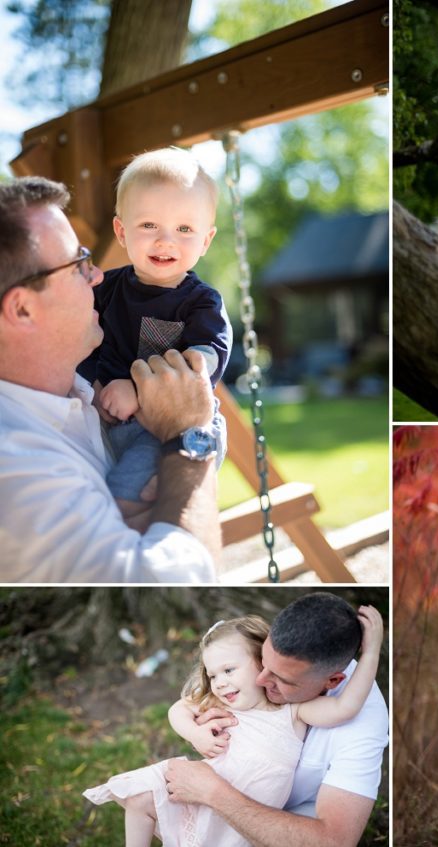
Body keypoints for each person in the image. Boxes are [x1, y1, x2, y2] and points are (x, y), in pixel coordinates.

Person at [0, 176, 221, 581]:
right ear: (23, 309)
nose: (97, 275)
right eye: (77, 265)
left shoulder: (75, 391)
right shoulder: (17, 466)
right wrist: (189, 436)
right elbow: (175, 586)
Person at [83, 605, 383, 847]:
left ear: (332, 680)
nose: (220, 682)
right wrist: (195, 733)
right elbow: (179, 708)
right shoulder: (228, 700)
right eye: (213, 676)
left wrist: (371, 653)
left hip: (245, 814)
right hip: (203, 794)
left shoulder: (293, 710)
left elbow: (345, 707)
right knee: (138, 799)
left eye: (228, 670)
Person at [162, 592, 390, 847]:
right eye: (263, 662)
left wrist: (211, 791)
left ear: (332, 681)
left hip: (296, 821)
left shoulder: (363, 725)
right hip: (240, 791)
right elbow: (186, 707)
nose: (260, 681)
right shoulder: (287, 648)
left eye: (282, 679)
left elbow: (333, 841)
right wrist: (203, 732)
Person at [77, 147, 231, 520]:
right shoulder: (104, 289)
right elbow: (81, 340)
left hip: (168, 427)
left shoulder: (200, 302)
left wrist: (139, 390)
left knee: (122, 500)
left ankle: (150, 518)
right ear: (121, 231)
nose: (166, 241)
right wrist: (96, 382)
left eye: (184, 229)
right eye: (149, 226)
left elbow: (205, 359)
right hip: (110, 418)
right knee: (95, 489)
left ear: (205, 240)